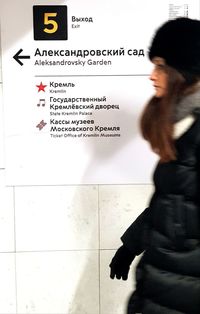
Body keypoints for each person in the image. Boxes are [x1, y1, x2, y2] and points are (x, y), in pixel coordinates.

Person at [109, 17, 200, 314]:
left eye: (160, 65)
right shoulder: (187, 132)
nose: (152, 75)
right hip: (163, 289)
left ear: (185, 70)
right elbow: (171, 204)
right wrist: (130, 245)